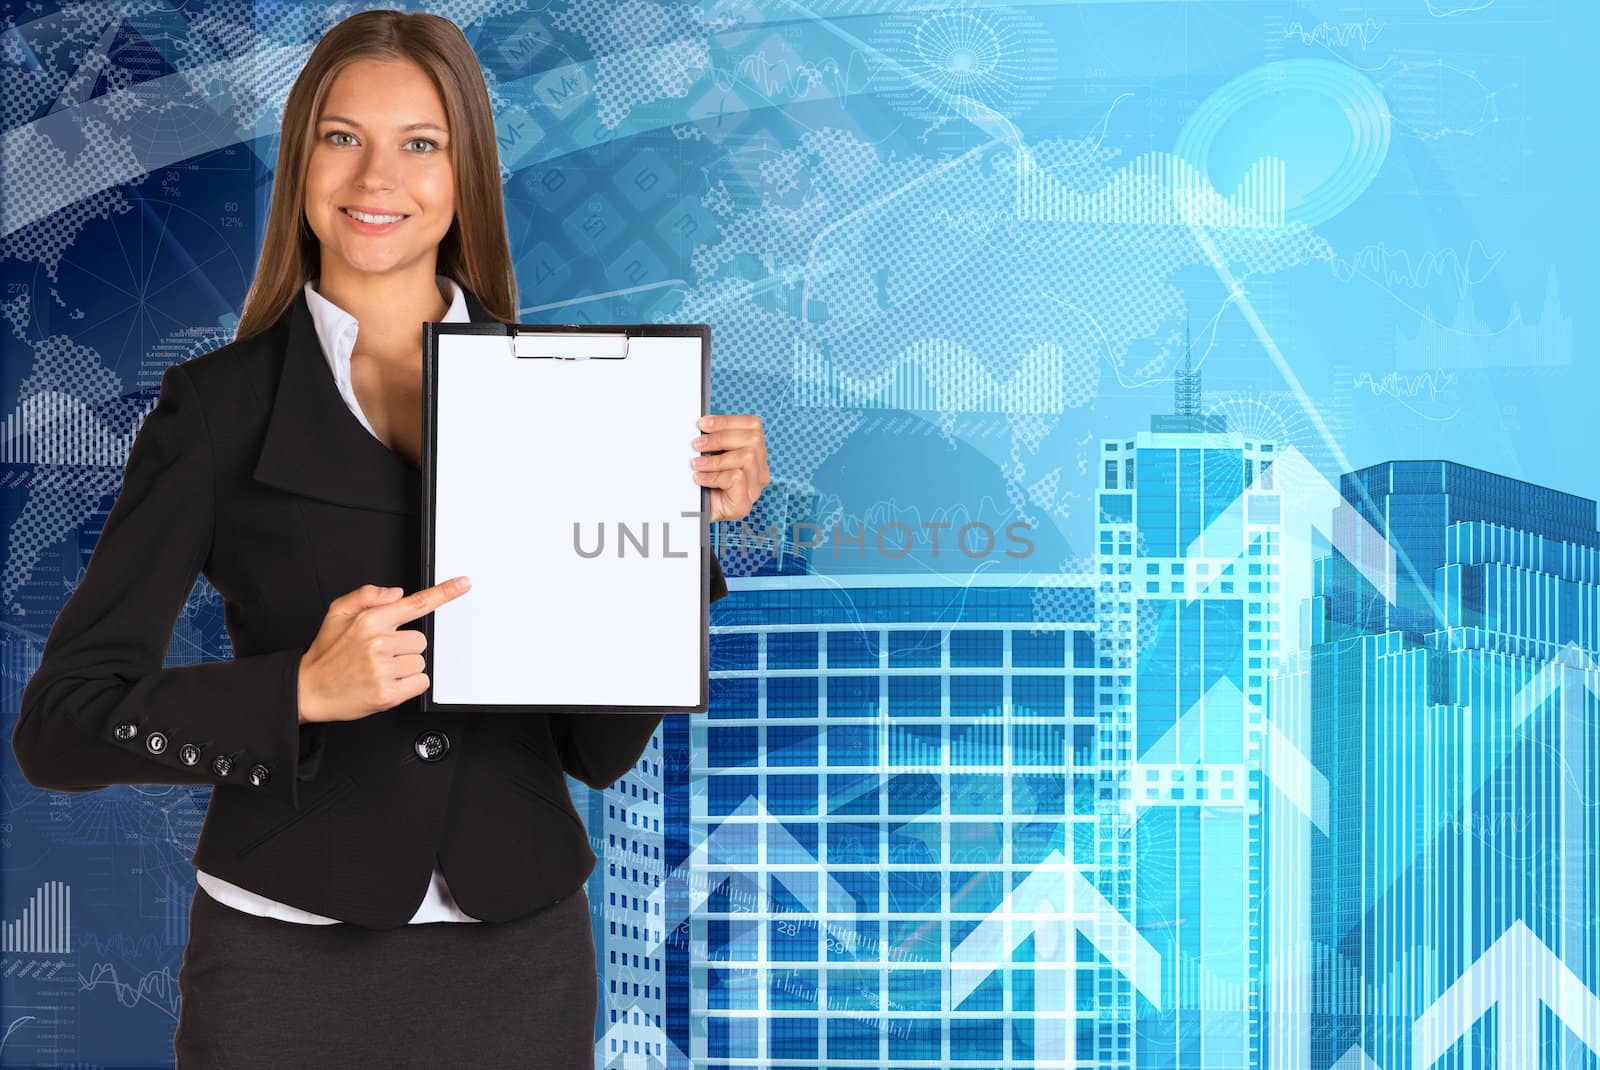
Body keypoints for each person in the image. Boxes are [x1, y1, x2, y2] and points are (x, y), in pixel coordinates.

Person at [10, 10, 769, 1068]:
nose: (378, 176)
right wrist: (295, 694)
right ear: (300, 164)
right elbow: (60, 727)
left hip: (522, 957)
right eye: (340, 135)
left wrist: (680, 533)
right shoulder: (217, 408)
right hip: (280, 964)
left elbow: (598, 751)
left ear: (467, 176)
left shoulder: (588, 401)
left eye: (421, 142)